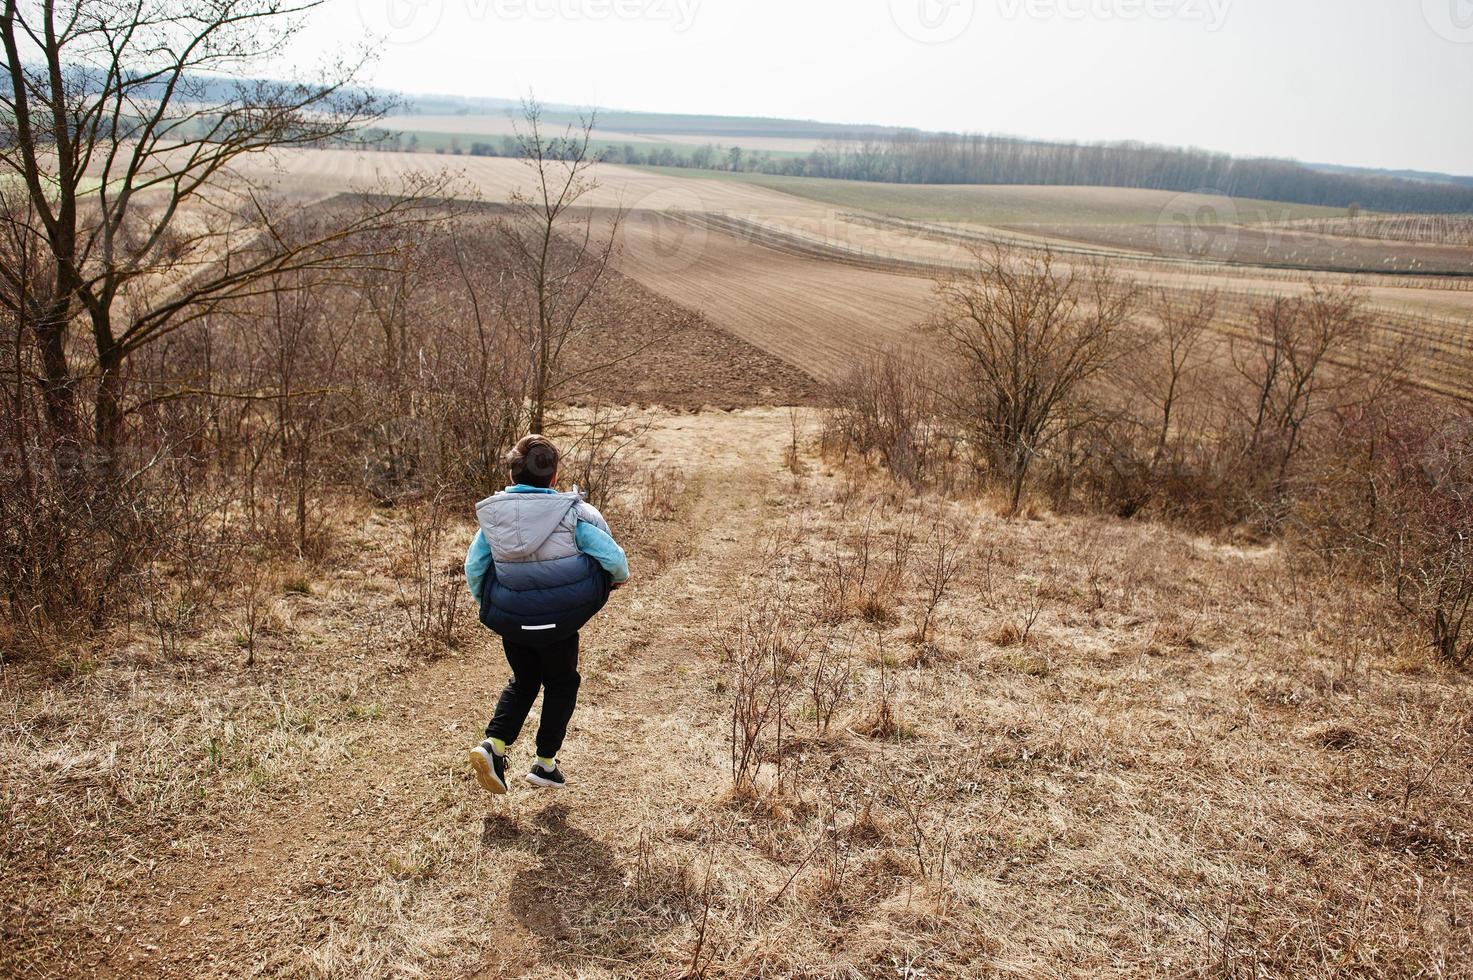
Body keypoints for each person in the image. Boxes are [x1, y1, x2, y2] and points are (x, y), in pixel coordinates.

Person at [464, 435, 629, 793]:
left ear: (512, 476)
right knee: (561, 683)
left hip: (514, 622)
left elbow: (474, 568)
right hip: (559, 624)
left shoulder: (494, 521)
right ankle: (545, 764)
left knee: (524, 681)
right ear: (554, 477)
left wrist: (492, 604)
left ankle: (494, 745)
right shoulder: (572, 515)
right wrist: (615, 582)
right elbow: (614, 559)